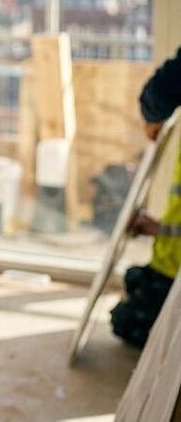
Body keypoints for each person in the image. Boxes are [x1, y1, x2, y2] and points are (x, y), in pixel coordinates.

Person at [112, 45, 181, 347]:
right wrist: (157, 228)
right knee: (133, 278)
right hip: (169, 265)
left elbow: (158, 93)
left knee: (125, 322)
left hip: (174, 277)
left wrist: (153, 113)